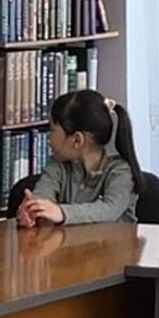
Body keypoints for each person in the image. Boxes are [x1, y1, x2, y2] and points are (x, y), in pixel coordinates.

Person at [17, 90, 143, 225]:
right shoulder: (57, 163)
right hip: (66, 239)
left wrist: (61, 213)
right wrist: (32, 211)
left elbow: (109, 209)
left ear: (77, 140)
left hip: (114, 239)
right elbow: (43, 195)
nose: (48, 137)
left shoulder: (121, 171)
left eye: (52, 130)